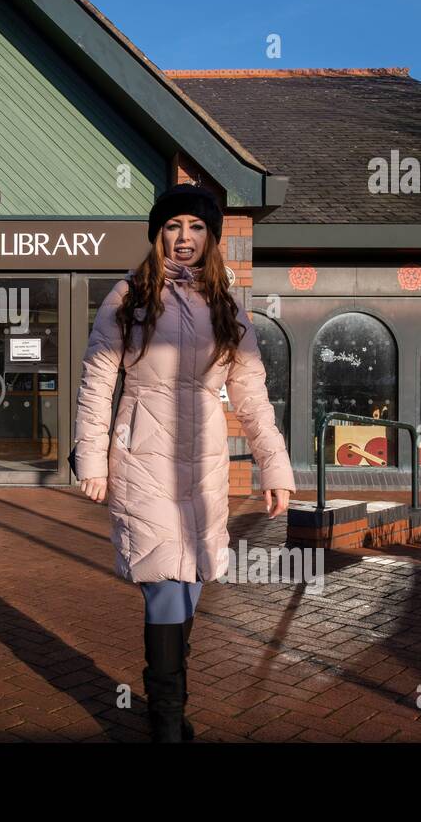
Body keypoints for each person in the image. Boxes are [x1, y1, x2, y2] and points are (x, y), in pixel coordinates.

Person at [72, 183, 295, 742]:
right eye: (173, 226)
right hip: (141, 455)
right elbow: (98, 382)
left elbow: (252, 394)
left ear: (212, 238)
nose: (185, 238)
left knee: (192, 578)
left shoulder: (229, 307)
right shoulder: (127, 297)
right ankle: (166, 721)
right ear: (158, 234)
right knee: (165, 580)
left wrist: (275, 466)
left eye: (196, 228)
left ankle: (166, 702)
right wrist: (91, 461)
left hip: (205, 462)